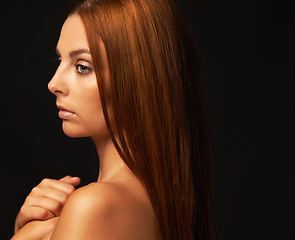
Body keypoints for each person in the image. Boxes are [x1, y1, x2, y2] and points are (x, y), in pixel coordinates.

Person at [12, 0, 213, 239]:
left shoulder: (93, 207)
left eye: (82, 67)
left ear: (139, 79)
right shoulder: (158, 203)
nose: (53, 84)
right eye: (59, 61)